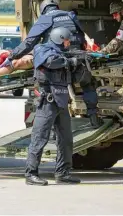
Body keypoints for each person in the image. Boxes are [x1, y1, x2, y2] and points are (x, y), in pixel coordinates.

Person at [0, 0, 103, 128]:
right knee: (88, 84)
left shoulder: (45, 19)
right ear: (57, 6)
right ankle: (94, 118)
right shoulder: (71, 16)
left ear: (43, 10)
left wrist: (12, 56)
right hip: (77, 61)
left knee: (49, 95)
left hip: (56, 64)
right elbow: (81, 37)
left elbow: (28, 43)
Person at [25, 27, 81, 186]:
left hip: (61, 100)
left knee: (66, 139)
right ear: (59, 38)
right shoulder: (43, 49)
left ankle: (63, 173)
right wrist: (67, 61)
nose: (68, 43)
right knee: (39, 137)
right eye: (66, 40)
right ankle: (31, 173)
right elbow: (49, 61)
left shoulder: (63, 52)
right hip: (47, 101)